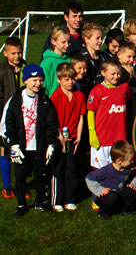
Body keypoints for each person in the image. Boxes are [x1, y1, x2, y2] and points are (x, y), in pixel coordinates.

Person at [2, 64, 58, 217]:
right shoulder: (15, 100)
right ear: (25, 81)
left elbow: (51, 124)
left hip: (39, 146)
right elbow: (10, 122)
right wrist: (13, 143)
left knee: (41, 175)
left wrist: (51, 144)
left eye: (40, 80)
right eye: (34, 80)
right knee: (20, 177)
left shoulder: (45, 101)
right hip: (21, 146)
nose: (37, 83)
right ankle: (21, 204)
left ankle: (40, 202)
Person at [0, 37, 25, 199]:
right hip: (6, 120)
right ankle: (7, 186)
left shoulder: (26, 67)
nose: (17, 56)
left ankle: (22, 185)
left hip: (24, 117)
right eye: (13, 53)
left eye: (19, 52)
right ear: (5, 53)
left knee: (23, 151)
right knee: (6, 151)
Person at [49, 63, 85, 212]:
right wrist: (59, 137)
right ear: (59, 80)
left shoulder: (79, 95)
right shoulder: (56, 96)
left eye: (72, 79)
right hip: (59, 139)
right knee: (58, 169)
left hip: (73, 139)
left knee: (71, 170)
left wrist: (79, 137)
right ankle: (56, 200)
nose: (70, 82)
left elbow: (81, 117)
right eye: (66, 79)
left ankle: (69, 199)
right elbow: (53, 119)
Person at [87, 59, 132, 170]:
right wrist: (92, 132)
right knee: (100, 171)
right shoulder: (97, 90)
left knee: (119, 169)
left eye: (118, 73)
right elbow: (90, 112)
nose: (116, 77)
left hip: (119, 139)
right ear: (103, 73)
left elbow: (131, 104)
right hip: (102, 139)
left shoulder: (124, 88)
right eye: (112, 74)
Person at [86, 140, 136, 220]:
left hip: (118, 193)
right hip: (106, 196)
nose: (133, 162)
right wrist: (100, 190)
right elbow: (89, 178)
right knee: (112, 196)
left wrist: (133, 184)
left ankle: (126, 211)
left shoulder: (129, 168)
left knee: (131, 192)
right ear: (119, 161)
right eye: (130, 160)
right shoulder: (106, 170)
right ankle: (103, 213)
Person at [40, 26, 70, 96]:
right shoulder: (47, 63)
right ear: (53, 41)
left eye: (68, 42)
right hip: (52, 101)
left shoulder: (69, 60)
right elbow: (44, 86)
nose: (67, 45)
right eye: (63, 42)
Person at [81, 23, 107, 87]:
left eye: (101, 38)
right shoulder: (82, 58)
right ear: (87, 39)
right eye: (97, 38)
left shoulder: (104, 57)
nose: (100, 41)